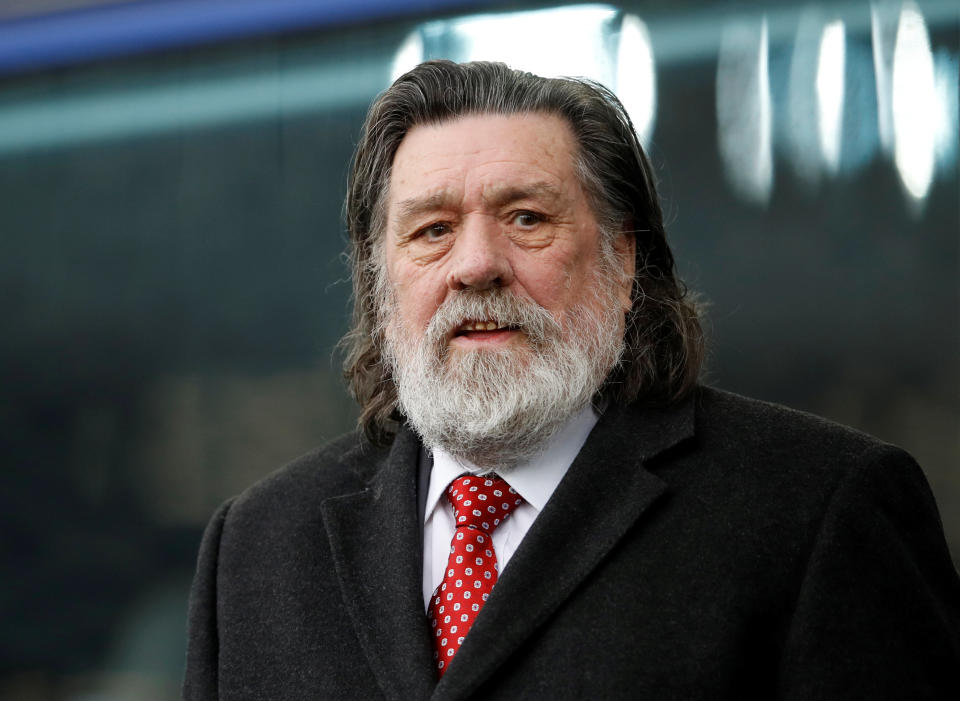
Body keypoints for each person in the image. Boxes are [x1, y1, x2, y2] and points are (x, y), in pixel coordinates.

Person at [183, 60, 960, 700]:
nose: (477, 264)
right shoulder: (255, 547)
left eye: (526, 217)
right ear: (382, 287)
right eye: (432, 230)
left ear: (624, 263)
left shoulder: (820, 507)